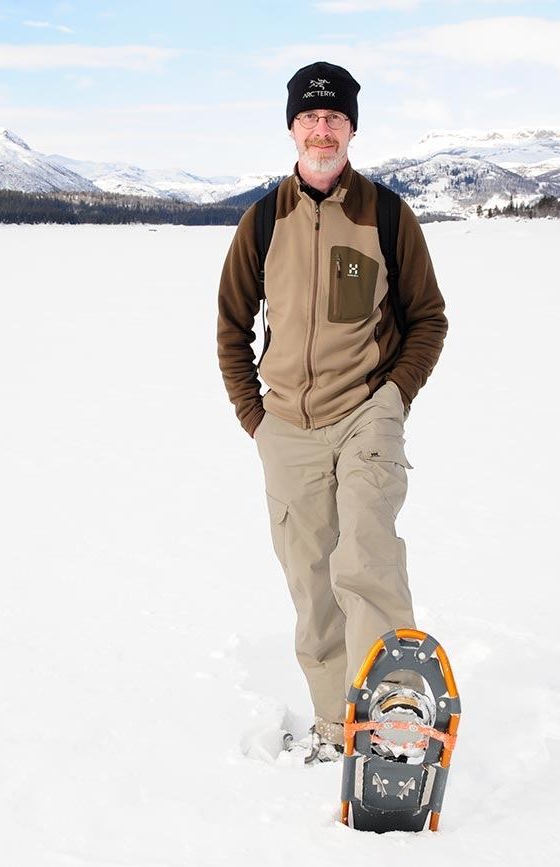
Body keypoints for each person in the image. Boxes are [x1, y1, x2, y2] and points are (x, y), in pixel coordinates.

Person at [216, 61, 448, 762]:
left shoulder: (384, 214)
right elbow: (232, 327)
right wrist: (256, 419)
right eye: (311, 117)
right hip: (285, 425)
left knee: (366, 554)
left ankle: (395, 719)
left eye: (335, 118)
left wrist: (394, 396)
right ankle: (335, 724)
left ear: (352, 128)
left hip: (365, 413)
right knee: (312, 580)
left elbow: (427, 319)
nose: (323, 129)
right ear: (293, 127)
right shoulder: (262, 222)